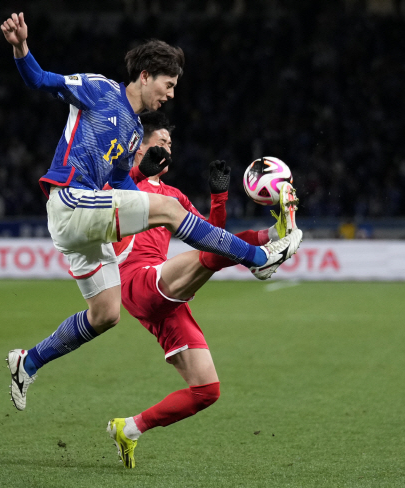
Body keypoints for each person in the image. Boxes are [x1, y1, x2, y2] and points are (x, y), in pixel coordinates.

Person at [0, 13, 303, 411]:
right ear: (146, 76)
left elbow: (124, 185)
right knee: (170, 207)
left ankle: (29, 361)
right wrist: (21, 48)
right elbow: (41, 80)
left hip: (87, 222)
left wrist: (146, 183)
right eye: (169, 84)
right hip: (71, 200)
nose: (172, 94)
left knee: (106, 314)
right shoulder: (100, 89)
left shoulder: (130, 132)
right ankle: (259, 260)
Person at [104, 112, 299, 468]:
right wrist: (137, 173)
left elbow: (214, 237)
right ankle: (262, 258)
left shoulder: (174, 196)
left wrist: (219, 196)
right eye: (159, 143)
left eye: (169, 144)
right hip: (136, 281)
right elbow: (104, 197)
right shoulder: (119, 181)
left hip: (164, 291)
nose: (167, 149)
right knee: (212, 255)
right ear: (138, 147)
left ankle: (129, 429)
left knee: (206, 391)